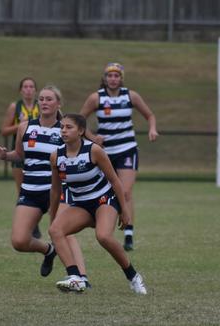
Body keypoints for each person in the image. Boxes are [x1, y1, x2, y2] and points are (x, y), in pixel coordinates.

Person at [0, 86, 88, 282]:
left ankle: (81, 277)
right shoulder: (25, 127)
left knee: (64, 232)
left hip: (57, 190)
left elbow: (79, 155)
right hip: (31, 190)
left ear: (58, 104)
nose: (44, 102)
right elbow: (19, 155)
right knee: (19, 241)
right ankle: (48, 251)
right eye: (41, 99)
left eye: (49, 99)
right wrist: (4, 155)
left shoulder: (65, 130)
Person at [48, 113, 147, 294]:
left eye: (69, 127)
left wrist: (125, 211)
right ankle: (76, 278)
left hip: (104, 199)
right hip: (80, 205)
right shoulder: (56, 156)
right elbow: (56, 191)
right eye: (62, 127)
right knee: (55, 230)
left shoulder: (93, 150)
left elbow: (116, 181)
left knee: (103, 237)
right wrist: (53, 216)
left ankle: (133, 276)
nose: (63, 130)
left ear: (81, 131)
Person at [79, 62, 158, 251]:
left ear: (121, 78)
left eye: (116, 76)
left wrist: (152, 129)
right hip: (105, 153)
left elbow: (150, 115)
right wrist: (92, 138)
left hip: (127, 149)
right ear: (104, 78)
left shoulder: (130, 96)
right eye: (110, 76)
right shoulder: (95, 98)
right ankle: (105, 228)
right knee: (108, 191)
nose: (113, 79)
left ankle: (128, 233)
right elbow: (79, 121)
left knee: (125, 191)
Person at [0, 77, 41, 239]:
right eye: (25, 86)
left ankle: (36, 221)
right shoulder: (14, 107)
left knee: (40, 188)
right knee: (23, 191)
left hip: (38, 152)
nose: (29, 89)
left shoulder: (42, 105)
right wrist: (21, 125)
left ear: (35, 90)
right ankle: (31, 227)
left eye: (31, 86)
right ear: (21, 90)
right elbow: (4, 130)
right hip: (19, 152)